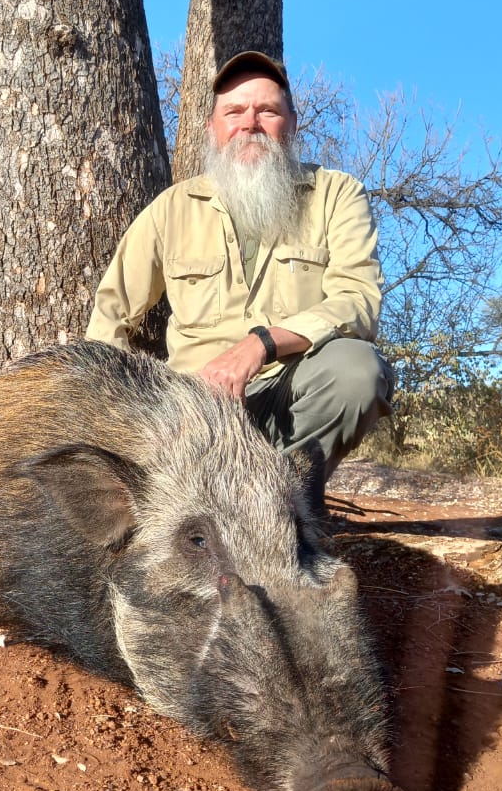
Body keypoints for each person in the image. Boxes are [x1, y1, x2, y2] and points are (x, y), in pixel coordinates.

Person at [85, 50, 393, 486]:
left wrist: (260, 345)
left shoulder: (338, 195)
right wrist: (126, 409)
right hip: (193, 413)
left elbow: (358, 300)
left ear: (292, 123)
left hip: (289, 399)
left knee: (357, 371)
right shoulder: (171, 209)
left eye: (267, 110)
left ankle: (290, 499)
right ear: (213, 128)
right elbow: (110, 314)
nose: (250, 123)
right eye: (234, 111)